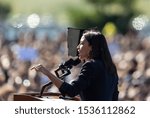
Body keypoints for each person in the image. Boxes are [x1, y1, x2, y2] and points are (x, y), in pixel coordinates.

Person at [31, 29, 119, 101]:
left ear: (91, 47)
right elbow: (114, 98)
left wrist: (47, 73)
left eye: (81, 43)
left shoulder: (90, 66)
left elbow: (71, 91)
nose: (77, 47)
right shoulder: (110, 66)